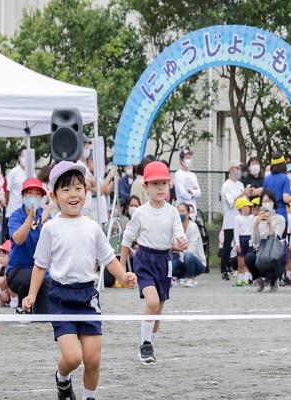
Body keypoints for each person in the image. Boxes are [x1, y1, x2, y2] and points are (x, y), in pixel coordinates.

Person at [22, 161, 136, 400]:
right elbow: (40, 265)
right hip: (61, 298)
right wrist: (31, 295)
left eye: (78, 188)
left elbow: (109, 259)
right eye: (66, 189)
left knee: (93, 360)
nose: (73, 194)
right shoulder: (50, 228)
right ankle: (62, 379)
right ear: (54, 195)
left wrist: (124, 276)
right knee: (73, 358)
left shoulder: (93, 227)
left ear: (86, 191)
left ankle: (88, 397)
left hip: (88, 298)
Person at [120, 161, 187, 365]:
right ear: (145, 187)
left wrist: (181, 241)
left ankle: (148, 344)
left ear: (169, 186)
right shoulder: (140, 212)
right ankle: (146, 345)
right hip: (144, 260)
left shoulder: (173, 211)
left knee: (158, 311)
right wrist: (121, 270)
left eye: (163, 183)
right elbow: (126, 239)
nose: (160, 188)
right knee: (152, 302)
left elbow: (178, 233)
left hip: (164, 260)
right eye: (154, 183)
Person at [7, 178, 52, 313]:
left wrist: (43, 222)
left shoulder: (46, 217)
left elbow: (54, 243)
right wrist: (30, 219)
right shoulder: (15, 216)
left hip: (42, 271)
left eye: (37, 194)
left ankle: (38, 310)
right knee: (30, 278)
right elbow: (18, 239)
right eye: (29, 193)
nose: (33, 197)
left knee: (46, 310)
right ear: (23, 196)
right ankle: (22, 306)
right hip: (18, 270)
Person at [245, 190, 287, 292]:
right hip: (261, 249)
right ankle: (259, 281)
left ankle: (274, 280)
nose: (267, 203)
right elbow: (254, 242)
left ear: (274, 202)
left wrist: (269, 224)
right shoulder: (257, 219)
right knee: (249, 257)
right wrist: (256, 225)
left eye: (269, 201)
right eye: (264, 201)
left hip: (273, 249)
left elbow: (276, 238)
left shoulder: (280, 218)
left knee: (272, 261)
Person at [220, 161, 247, 281]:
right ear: (231, 170)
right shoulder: (226, 185)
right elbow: (231, 203)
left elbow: (245, 201)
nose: (238, 170)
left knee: (240, 242)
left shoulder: (240, 184)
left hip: (241, 219)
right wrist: (242, 194)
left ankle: (238, 267)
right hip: (230, 219)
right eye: (236, 168)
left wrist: (245, 194)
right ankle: (223, 269)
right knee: (227, 244)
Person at [172, 203, 207, 288]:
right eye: (178, 211)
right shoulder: (176, 228)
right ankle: (178, 278)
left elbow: (191, 250)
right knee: (169, 264)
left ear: (188, 214)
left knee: (188, 255)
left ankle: (190, 278)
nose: (180, 214)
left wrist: (178, 249)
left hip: (197, 263)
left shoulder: (193, 227)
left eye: (183, 211)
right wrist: (175, 248)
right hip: (182, 260)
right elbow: (173, 246)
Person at [263, 153, 291, 225]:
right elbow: (286, 199)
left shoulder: (266, 179)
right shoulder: (285, 178)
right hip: (281, 214)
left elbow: (263, 198)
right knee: (282, 236)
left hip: (268, 214)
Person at [5, 146, 28, 230]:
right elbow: (7, 191)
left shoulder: (32, 173)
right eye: (23, 156)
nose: (25, 158)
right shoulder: (13, 173)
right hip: (13, 213)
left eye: (27, 156)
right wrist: (8, 205)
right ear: (19, 158)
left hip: (27, 215)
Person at [233, 197, 253, 287]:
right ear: (241, 207)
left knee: (248, 261)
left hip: (249, 239)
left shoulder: (251, 218)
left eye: (249, 207)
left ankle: (246, 279)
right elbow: (236, 232)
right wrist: (237, 244)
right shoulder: (237, 218)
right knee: (241, 261)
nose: (249, 208)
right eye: (247, 206)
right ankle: (239, 280)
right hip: (241, 239)